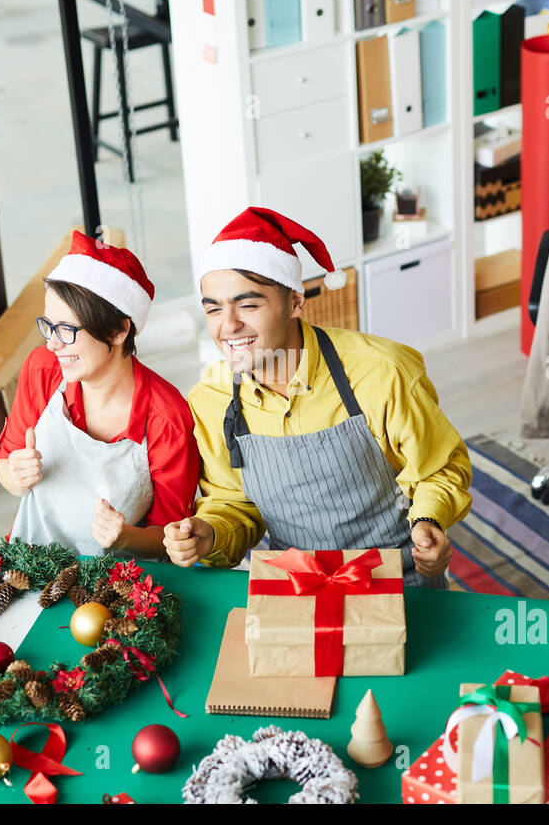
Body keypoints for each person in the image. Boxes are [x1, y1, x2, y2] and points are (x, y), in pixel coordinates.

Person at [162, 207, 473, 587]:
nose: (228, 326)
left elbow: (439, 468)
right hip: (294, 585)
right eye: (213, 309)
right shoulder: (211, 398)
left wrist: (428, 522)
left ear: (295, 302)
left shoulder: (382, 372)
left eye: (248, 305)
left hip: (398, 578)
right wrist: (208, 533)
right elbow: (233, 503)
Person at [0, 231, 200, 558]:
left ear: (119, 330)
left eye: (67, 330)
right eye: (49, 326)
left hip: (120, 584)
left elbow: (171, 537)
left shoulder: (168, 419)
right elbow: (6, 464)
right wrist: (16, 477)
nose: (52, 343)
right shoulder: (42, 369)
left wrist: (125, 537)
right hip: (28, 562)